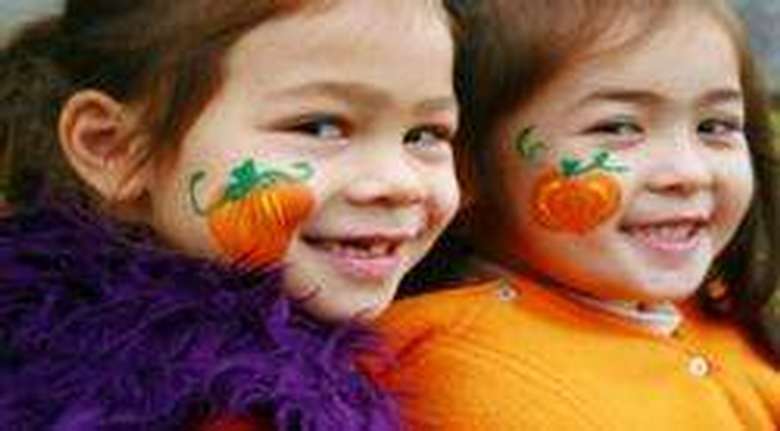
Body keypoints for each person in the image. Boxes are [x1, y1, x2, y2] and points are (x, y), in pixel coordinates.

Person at [0, 1, 463, 430]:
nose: (401, 183)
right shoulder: (234, 410)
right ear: (116, 149)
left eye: (425, 134)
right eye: (319, 127)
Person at [370, 0, 780, 429]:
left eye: (715, 126)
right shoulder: (473, 381)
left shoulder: (710, 309)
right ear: (466, 168)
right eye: (618, 128)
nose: (690, 173)